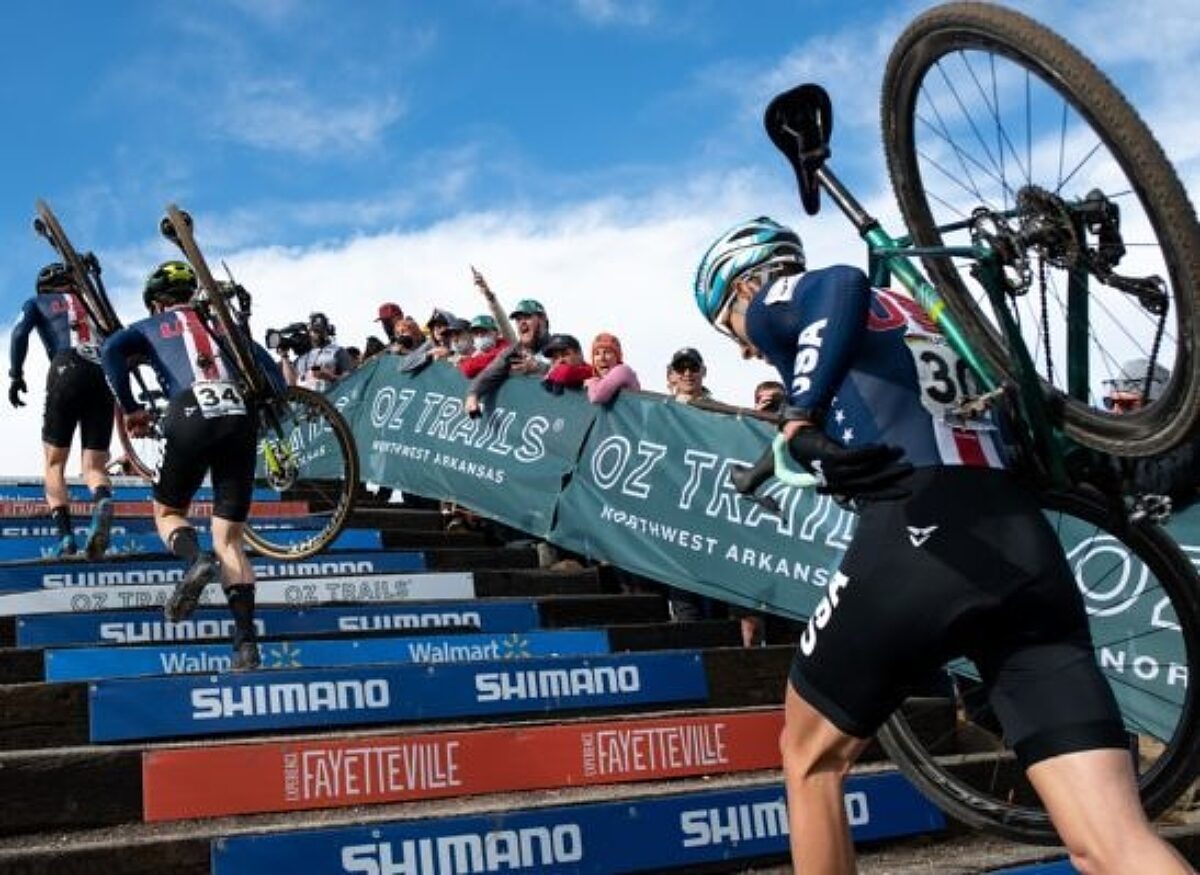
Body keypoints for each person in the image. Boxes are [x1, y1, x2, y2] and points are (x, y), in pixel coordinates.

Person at [693, 216, 1191, 873]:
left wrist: (798, 413)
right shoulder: (925, 310)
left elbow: (836, 282)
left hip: (921, 529)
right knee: (1113, 842)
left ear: (743, 283)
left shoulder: (782, 295)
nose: (746, 348)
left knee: (808, 755)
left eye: (727, 326)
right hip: (1020, 539)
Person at [100, 260, 284, 671]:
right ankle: (246, 645)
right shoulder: (223, 327)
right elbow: (274, 379)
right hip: (240, 418)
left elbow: (110, 350)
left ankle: (193, 560)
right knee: (231, 541)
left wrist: (130, 408)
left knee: (167, 512)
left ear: (157, 303)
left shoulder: (150, 325)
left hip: (188, 409)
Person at [7, 262, 115, 557]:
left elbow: (19, 334)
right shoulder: (92, 304)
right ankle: (102, 500)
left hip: (66, 366)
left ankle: (66, 538)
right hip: (102, 372)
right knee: (94, 466)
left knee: (54, 463)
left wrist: (16, 375)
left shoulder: (37, 302)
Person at [1104, 359, 1200, 508]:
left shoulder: (1189, 436)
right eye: (1110, 403)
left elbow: (1160, 483)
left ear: (1155, 405)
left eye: (1127, 404)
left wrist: (1105, 453)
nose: (1115, 412)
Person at [279, 312, 352, 392]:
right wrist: (284, 356)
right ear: (309, 332)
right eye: (315, 330)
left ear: (327, 331)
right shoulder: (302, 357)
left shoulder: (338, 351)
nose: (318, 334)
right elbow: (291, 383)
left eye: (321, 330)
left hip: (329, 400)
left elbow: (350, 381)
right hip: (306, 401)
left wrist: (331, 377)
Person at [585, 332, 641, 404]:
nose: (602, 358)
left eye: (607, 352)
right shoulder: (599, 381)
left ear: (617, 357)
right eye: (597, 354)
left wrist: (591, 382)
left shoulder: (622, 370)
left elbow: (597, 396)